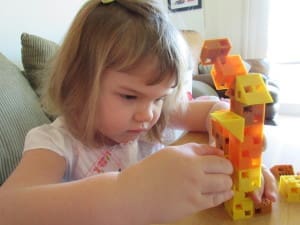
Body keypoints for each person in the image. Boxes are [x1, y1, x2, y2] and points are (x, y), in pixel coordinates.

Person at [0, 0, 277, 225]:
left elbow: (207, 113)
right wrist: (126, 193)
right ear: (78, 84)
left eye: (160, 98)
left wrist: (240, 151)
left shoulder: (151, 123)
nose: (148, 114)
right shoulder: (55, 143)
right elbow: (8, 208)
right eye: (130, 96)